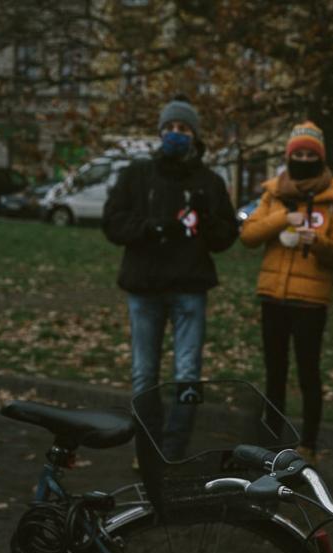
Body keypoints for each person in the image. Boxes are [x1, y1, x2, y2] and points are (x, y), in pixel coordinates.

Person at [102, 96, 238, 460]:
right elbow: (113, 222)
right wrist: (150, 228)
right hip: (144, 289)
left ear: (194, 135)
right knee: (144, 373)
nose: (176, 134)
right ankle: (148, 450)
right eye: (170, 128)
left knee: (187, 373)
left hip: (189, 289)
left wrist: (208, 222)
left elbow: (226, 236)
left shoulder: (209, 181)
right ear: (160, 132)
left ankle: (174, 452)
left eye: (183, 128)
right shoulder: (137, 174)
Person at [240, 121, 333, 464]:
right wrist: (284, 218)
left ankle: (309, 445)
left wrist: (314, 241)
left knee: (308, 371)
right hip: (273, 294)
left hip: (311, 299)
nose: (303, 158)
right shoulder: (273, 192)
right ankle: (271, 442)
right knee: (274, 371)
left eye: (309, 154)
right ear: (289, 157)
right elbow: (249, 234)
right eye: (297, 153)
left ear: (319, 158)